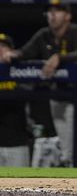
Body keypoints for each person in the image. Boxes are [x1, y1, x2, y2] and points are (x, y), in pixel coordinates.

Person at [0, 0, 77, 166]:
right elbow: (25, 52)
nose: (52, 15)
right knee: (66, 151)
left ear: (67, 16)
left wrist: (60, 58)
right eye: (50, 12)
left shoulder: (75, 32)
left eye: (57, 12)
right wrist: (13, 55)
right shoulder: (44, 35)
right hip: (58, 98)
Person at [0, 33, 31, 167]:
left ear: (11, 51)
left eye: (3, 46)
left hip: (16, 144)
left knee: (21, 186)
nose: (0, 50)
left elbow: (30, 91)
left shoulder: (20, 71)